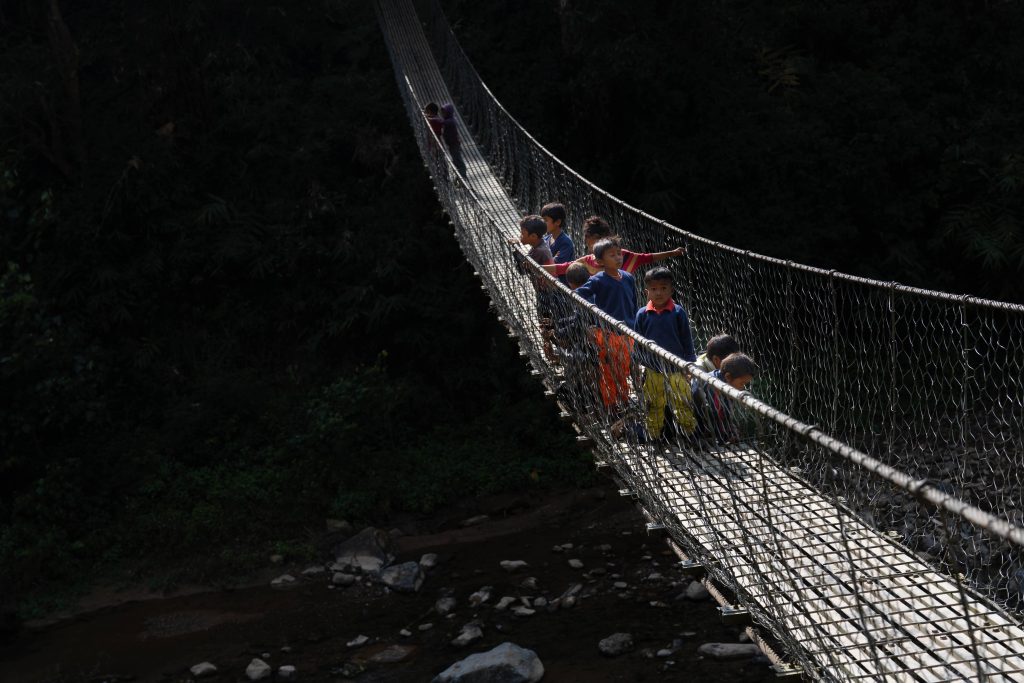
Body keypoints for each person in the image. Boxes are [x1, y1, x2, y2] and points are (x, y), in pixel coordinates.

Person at [574, 238, 638, 410]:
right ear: (600, 261)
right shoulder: (598, 280)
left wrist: (635, 325)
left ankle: (624, 400)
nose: (618, 257)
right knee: (608, 369)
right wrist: (592, 314)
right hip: (607, 332)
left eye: (619, 254)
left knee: (623, 369)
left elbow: (633, 302)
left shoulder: (628, 278)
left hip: (627, 332)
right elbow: (578, 294)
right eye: (612, 255)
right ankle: (611, 405)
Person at [633, 268, 697, 441]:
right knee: (654, 403)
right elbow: (637, 343)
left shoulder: (677, 312)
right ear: (647, 292)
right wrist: (636, 365)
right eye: (653, 289)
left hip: (677, 368)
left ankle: (688, 433)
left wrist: (690, 363)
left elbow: (686, 339)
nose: (659, 292)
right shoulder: (642, 314)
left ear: (671, 290)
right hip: (653, 368)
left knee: (682, 401)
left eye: (663, 288)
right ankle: (653, 435)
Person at [541, 215, 685, 277]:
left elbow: (647, 258)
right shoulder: (588, 261)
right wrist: (539, 268)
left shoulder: (624, 256)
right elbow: (565, 267)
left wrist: (672, 253)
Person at [544, 262, 598, 412]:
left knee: (576, 367)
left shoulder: (582, 296)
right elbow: (577, 319)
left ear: (570, 284)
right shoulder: (593, 290)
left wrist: (557, 331)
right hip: (596, 340)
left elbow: (578, 324)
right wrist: (556, 324)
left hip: (591, 346)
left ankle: (583, 405)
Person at [692, 352, 758, 444]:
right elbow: (715, 414)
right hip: (698, 426)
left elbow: (725, 412)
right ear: (728, 377)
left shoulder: (723, 380)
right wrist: (725, 436)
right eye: (742, 383)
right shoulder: (714, 386)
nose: (742, 388)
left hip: (708, 420)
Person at [440, 103, 468, 178]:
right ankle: (459, 176)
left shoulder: (451, 121)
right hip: (451, 144)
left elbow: (442, 122)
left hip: (454, 144)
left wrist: (431, 119)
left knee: (458, 159)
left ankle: (463, 174)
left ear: (449, 112)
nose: (442, 114)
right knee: (455, 160)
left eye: (444, 112)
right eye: (442, 112)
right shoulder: (448, 120)